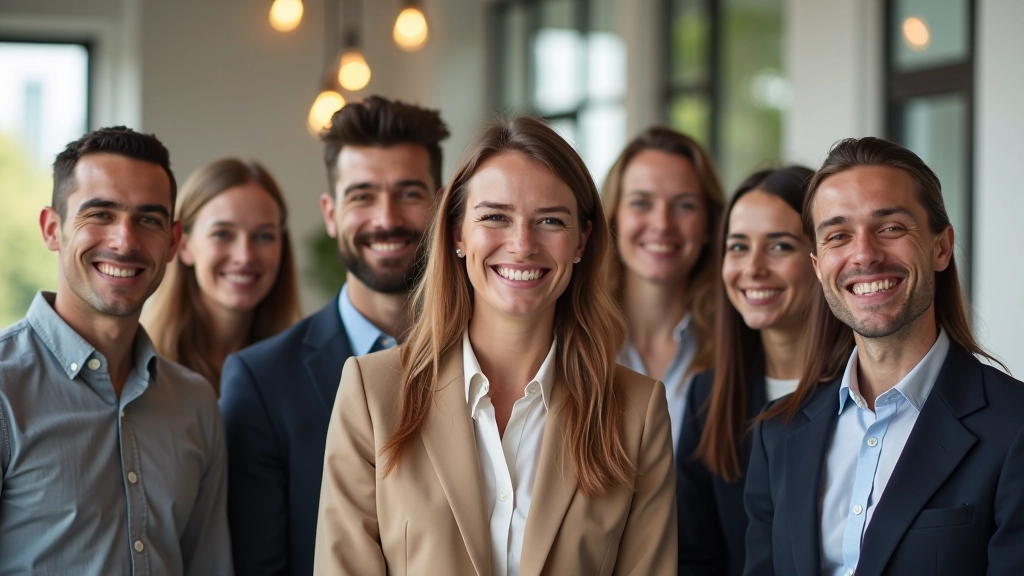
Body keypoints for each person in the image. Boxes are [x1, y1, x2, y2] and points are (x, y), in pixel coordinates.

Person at [314, 116, 677, 576]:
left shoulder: (637, 411)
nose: (522, 245)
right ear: (458, 234)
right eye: (494, 217)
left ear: (582, 241)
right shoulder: (372, 393)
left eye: (550, 220)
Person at [744, 137, 1024, 576]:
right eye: (838, 236)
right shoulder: (778, 434)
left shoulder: (1014, 428)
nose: (864, 254)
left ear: (941, 248)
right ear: (819, 268)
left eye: (891, 228)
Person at [219, 96, 450, 576]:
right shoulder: (262, 381)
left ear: (443, 204)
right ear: (330, 212)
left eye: (409, 193)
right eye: (362, 195)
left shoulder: (488, 359)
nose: (386, 218)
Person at [0, 126, 233, 574]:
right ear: (53, 229)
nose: (124, 242)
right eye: (100, 215)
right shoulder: (5, 390)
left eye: (148, 219)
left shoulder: (195, 402)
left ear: (172, 241)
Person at [676, 166, 840, 575]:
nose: (752, 268)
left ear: (819, 258)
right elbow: (692, 555)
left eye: (780, 247)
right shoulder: (707, 395)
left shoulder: (863, 393)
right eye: (737, 247)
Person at [602, 127, 726, 453]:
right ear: (613, 217)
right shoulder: (573, 337)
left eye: (684, 206)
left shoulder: (735, 345)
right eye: (641, 203)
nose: (662, 224)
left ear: (710, 227)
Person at [145, 158, 301, 393]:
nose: (245, 256)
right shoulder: (144, 368)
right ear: (183, 246)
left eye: (264, 236)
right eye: (222, 234)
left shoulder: (299, 367)